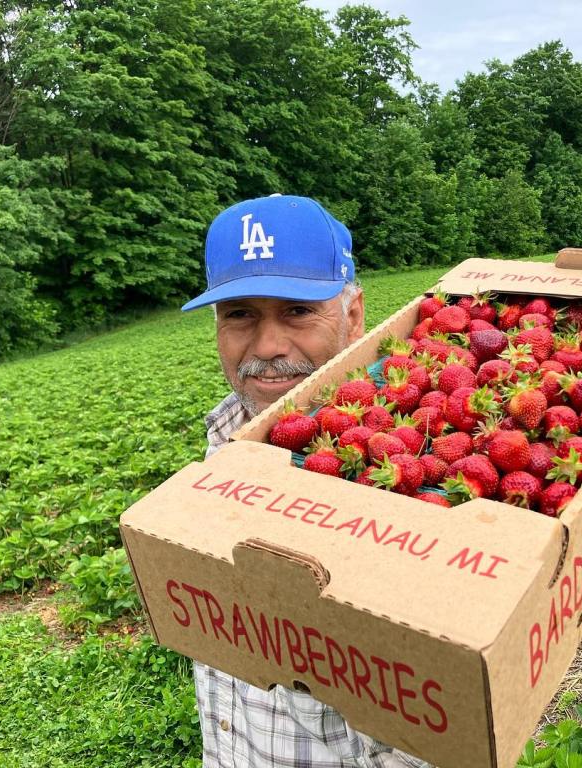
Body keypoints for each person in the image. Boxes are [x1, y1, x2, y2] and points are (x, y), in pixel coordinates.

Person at [181, 194, 431, 768]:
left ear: (354, 314)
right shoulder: (223, 443)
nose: (267, 346)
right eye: (240, 314)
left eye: (296, 310)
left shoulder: (405, 468)